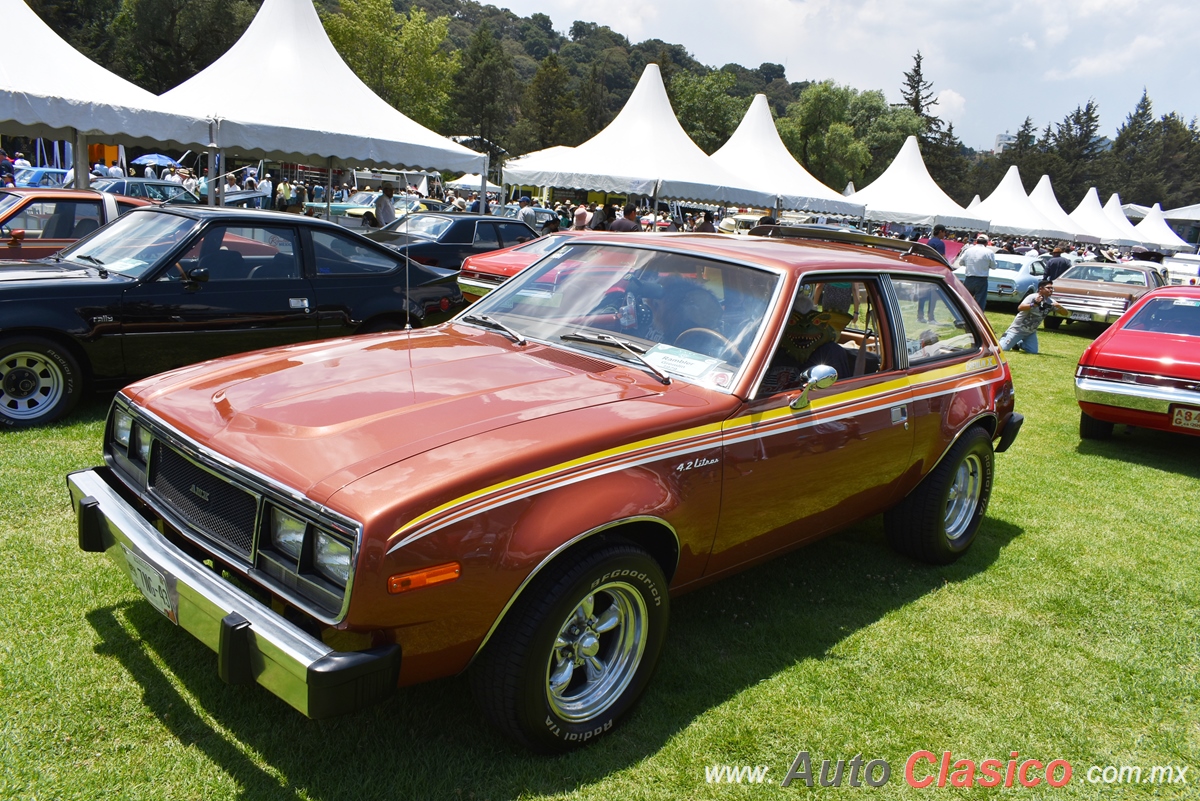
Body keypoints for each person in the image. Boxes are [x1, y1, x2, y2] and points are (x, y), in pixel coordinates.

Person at [998, 280, 1065, 353]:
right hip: (1017, 330)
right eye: (1048, 288)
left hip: (1030, 332)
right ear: (1040, 289)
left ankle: (1017, 343)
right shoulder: (1032, 297)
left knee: (1033, 351)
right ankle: (1006, 339)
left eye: (1052, 288)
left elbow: (1065, 313)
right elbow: (1020, 308)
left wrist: (1060, 307)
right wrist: (1034, 304)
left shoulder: (1051, 302)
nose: (1051, 290)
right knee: (1002, 348)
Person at [959, 233, 996, 310]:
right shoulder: (989, 252)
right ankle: (978, 318)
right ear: (986, 242)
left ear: (976, 241)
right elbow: (993, 266)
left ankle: (962, 317)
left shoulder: (968, 250)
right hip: (981, 279)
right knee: (980, 303)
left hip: (969, 278)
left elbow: (961, 262)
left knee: (965, 300)